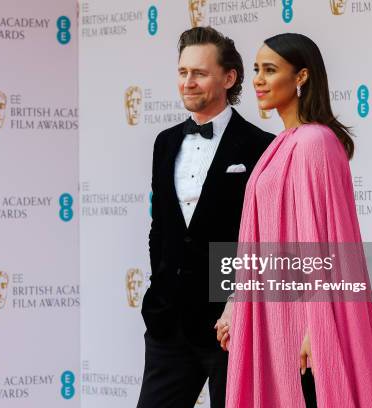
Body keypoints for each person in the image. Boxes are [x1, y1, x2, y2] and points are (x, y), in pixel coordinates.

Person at [219, 33, 372, 407]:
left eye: (271, 70)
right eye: (257, 69)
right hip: (274, 317)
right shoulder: (280, 144)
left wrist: (319, 327)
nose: (258, 80)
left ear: (301, 77)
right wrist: (235, 301)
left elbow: (330, 243)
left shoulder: (315, 142)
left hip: (305, 322)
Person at [138, 26, 274, 408]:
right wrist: (158, 290)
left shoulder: (262, 146)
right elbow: (161, 227)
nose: (188, 82)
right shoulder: (164, 142)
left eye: (199, 73)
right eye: (183, 72)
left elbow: (264, 235)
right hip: (168, 322)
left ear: (229, 78)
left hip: (230, 324)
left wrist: (238, 301)